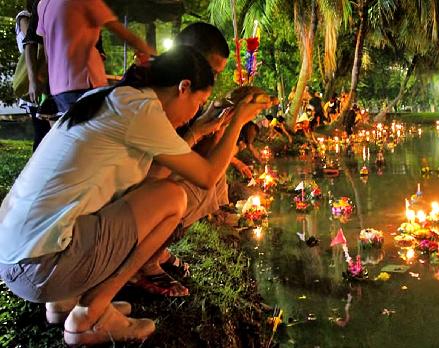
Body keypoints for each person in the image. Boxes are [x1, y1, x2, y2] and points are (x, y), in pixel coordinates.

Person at [0, 47, 271, 345]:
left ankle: (62, 302)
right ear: (184, 88)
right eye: (200, 103)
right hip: (41, 267)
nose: (196, 113)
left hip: (15, 257)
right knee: (173, 199)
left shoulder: (111, 98)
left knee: (153, 195)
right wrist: (238, 122)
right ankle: (90, 316)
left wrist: (197, 131)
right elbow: (206, 177)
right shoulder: (143, 111)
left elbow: (149, 183)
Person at [36, 0, 156, 117]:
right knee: (100, 132)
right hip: (85, 82)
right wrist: (155, 56)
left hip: (58, 87)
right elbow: (122, 32)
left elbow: (46, 50)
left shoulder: (43, 4)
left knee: (76, 134)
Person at [15, 0, 51, 151]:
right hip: (34, 75)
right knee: (41, 130)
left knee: (47, 130)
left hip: (44, 75)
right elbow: (30, 39)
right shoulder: (24, 17)